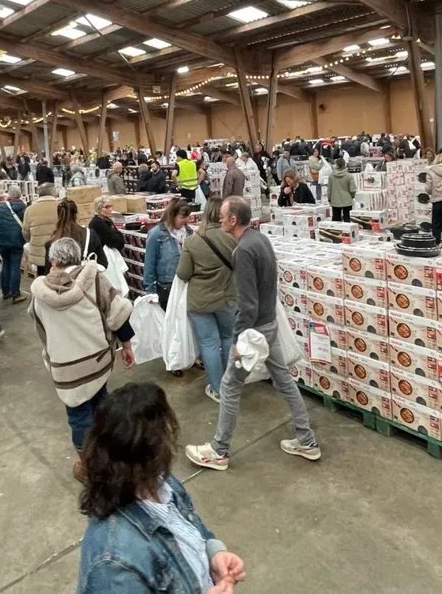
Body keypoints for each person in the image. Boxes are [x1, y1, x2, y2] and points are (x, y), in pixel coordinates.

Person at [186, 197, 319, 471]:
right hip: (268, 325)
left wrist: (237, 339)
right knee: (284, 380)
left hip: (255, 332)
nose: (219, 219)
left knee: (229, 386)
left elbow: (247, 304)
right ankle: (307, 440)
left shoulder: (243, 251)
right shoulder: (261, 240)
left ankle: (219, 450)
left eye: (223, 216)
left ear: (233, 219)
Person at [77, 382, 246, 594]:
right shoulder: (113, 563)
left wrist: (214, 553)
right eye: (167, 430)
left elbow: (189, 528)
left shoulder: (160, 483)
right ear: (152, 447)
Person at [30, 238, 135, 481]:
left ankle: (89, 467)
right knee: (101, 402)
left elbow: (42, 331)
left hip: (67, 369)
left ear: (52, 261)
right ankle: (111, 454)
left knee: (78, 417)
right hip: (97, 361)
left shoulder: (40, 295)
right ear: (78, 258)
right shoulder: (94, 280)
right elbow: (117, 314)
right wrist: (127, 346)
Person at [177, 198, 237, 404]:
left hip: (200, 301)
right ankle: (231, 385)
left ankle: (217, 389)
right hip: (227, 297)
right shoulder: (232, 238)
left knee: (209, 343)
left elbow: (183, 273)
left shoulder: (192, 241)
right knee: (228, 338)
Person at [47, 199, 107, 269]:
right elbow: (103, 263)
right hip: (85, 273)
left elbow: (48, 270)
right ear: (76, 214)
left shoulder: (53, 240)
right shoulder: (90, 235)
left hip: (61, 275)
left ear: (58, 215)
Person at [0, 185, 28, 303]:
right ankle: (16, 294)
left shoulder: (1, 207)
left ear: (9, 194)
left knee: (5, 264)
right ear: (20, 194)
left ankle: (6, 291)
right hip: (17, 241)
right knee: (15, 266)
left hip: (2, 241)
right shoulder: (24, 208)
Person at [24, 182, 60, 276]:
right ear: (53, 192)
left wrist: (32, 241)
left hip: (38, 250)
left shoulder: (30, 210)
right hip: (57, 250)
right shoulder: (60, 207)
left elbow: (25, 232)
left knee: (41, 276)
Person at [327, 157, 357, 222]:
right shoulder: (349, 176)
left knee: (336, 220)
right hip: (347, 200)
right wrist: (352, 196)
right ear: (344, 165)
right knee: (347, 219)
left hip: (335, 201)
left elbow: (329, 189)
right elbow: (352, 189)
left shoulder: (331, 176)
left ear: (336, 165)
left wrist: (329, 198)